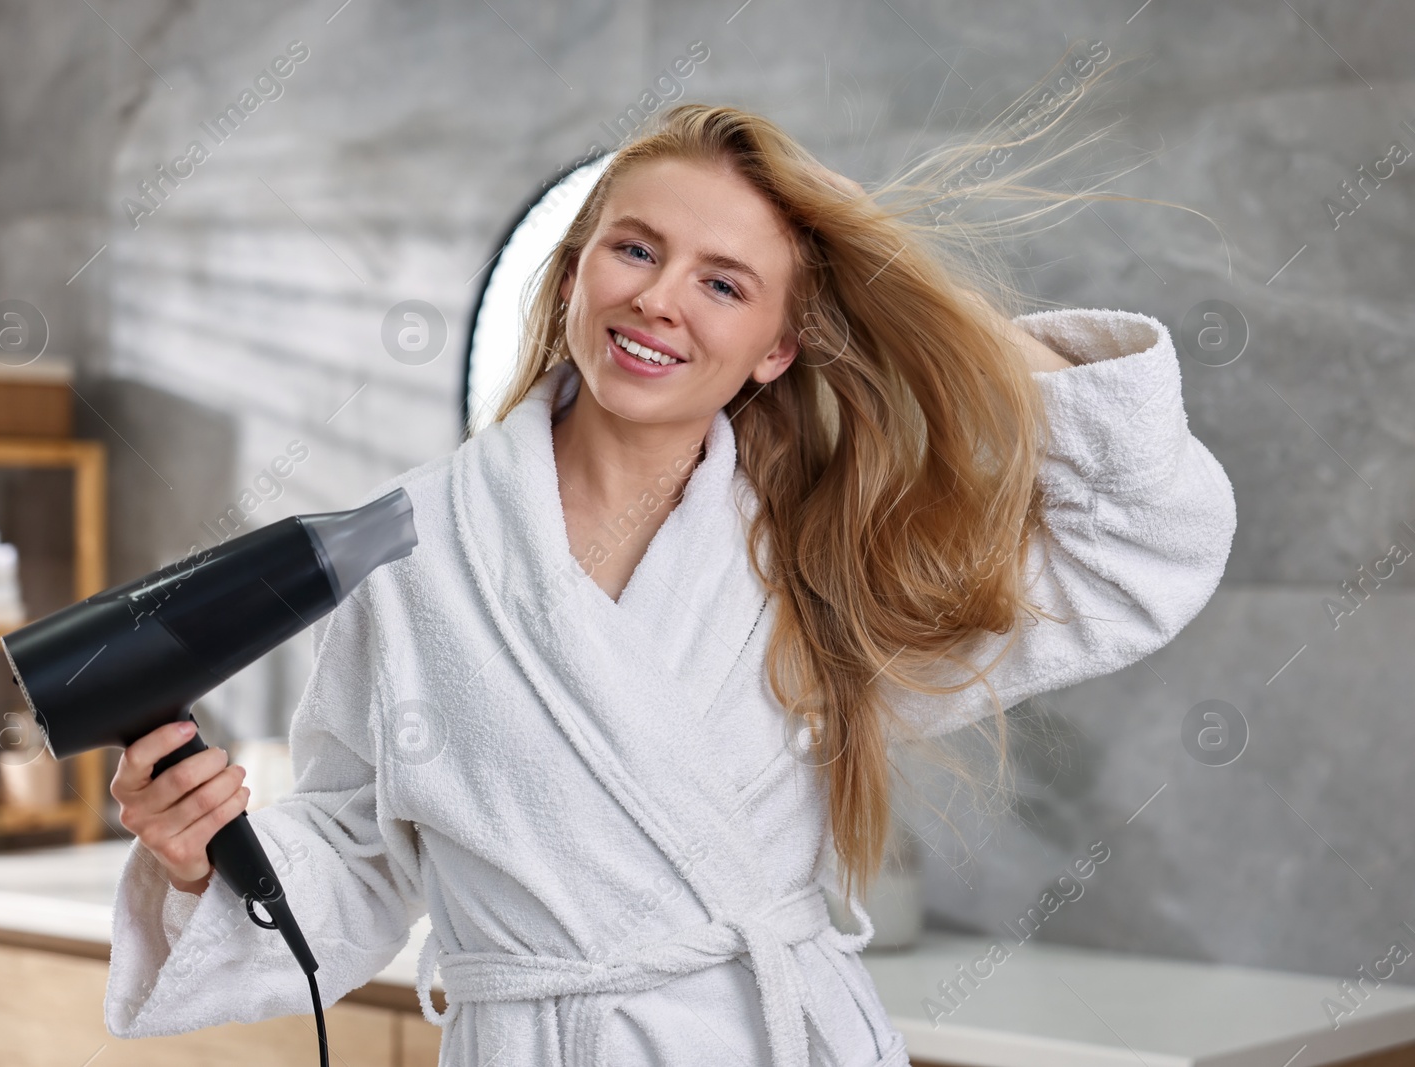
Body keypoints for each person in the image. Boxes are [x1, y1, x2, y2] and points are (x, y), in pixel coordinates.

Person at [102, 95, 1236, 1067]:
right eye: (635, 249)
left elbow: (1138, 543)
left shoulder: (821, 554)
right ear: (576, 271)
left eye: (725, 283)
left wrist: (923, 300)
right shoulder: (416, 547)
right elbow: (354, 862)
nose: (658, 300)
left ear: (777, 348)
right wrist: (202, 853)